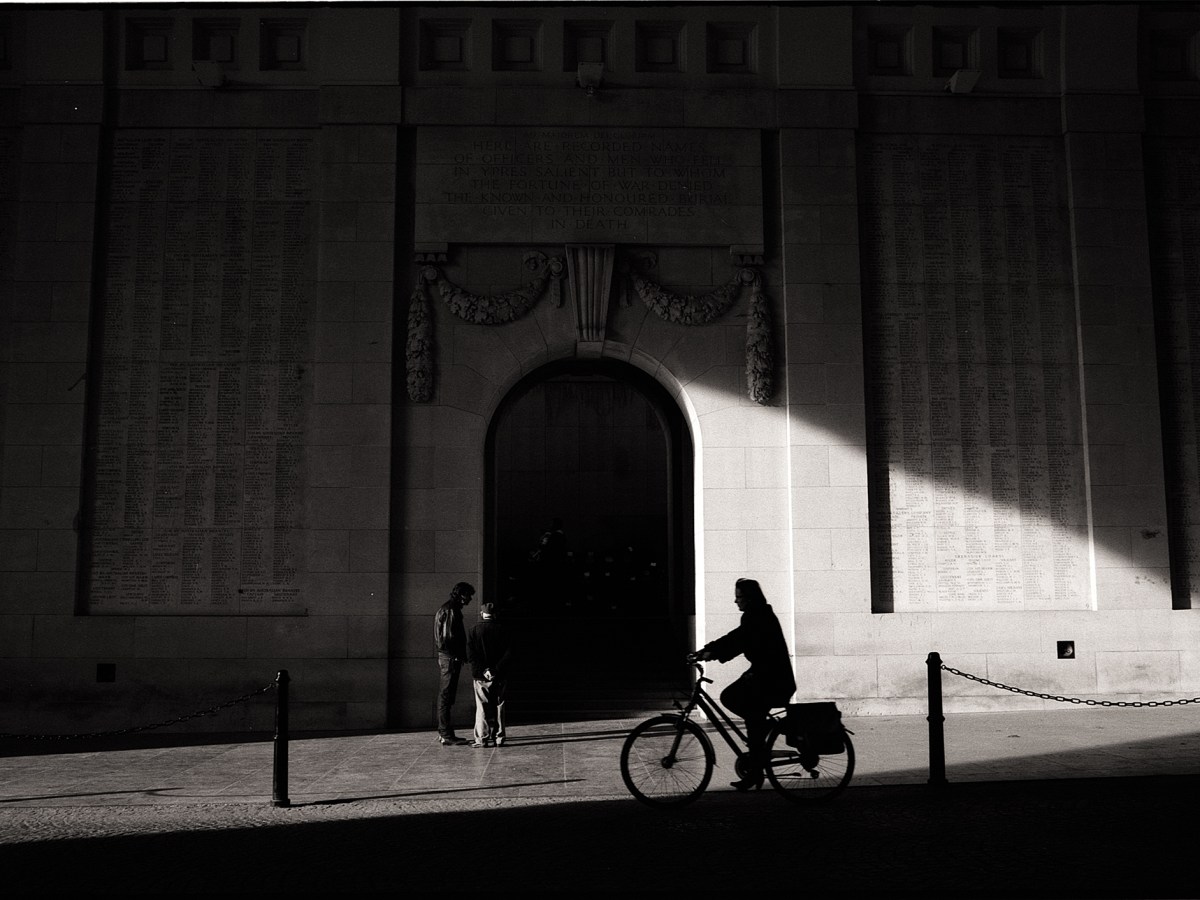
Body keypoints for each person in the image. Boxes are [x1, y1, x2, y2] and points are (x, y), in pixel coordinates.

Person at [689, 578, 796, 791]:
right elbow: (735, 638)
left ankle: (756, 768)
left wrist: (711, 653)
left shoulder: (759, 617)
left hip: (774, 680)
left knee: (734, 700)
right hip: (767, 676)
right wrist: (707, 650)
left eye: (739, 597)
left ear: (749, 598)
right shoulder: (756, 615)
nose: (735, 601)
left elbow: (739, 641)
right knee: (747, 713)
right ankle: (757, 759)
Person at [466, 601, 514, 748]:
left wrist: (484, 670)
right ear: (495, 614)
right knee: (500, 704)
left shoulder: (473, 630)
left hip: (481, 676)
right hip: (500, 674)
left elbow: (471, 655)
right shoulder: (504, 630)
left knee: (482, 706)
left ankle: (482, 738)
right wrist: (495, 669)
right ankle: (499, 737)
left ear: (482, 614)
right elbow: (508, 653)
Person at [433, 581, 475, 746]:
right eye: (468, 596)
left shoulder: (448, 608)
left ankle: (444, 732)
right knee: (446, 696)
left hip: (447, 657)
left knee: (446, 696)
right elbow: (448, 637)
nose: (470, 599)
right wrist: (458, 656)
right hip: (450, 658)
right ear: (461, 594)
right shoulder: (451, 610)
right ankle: (445, 734)